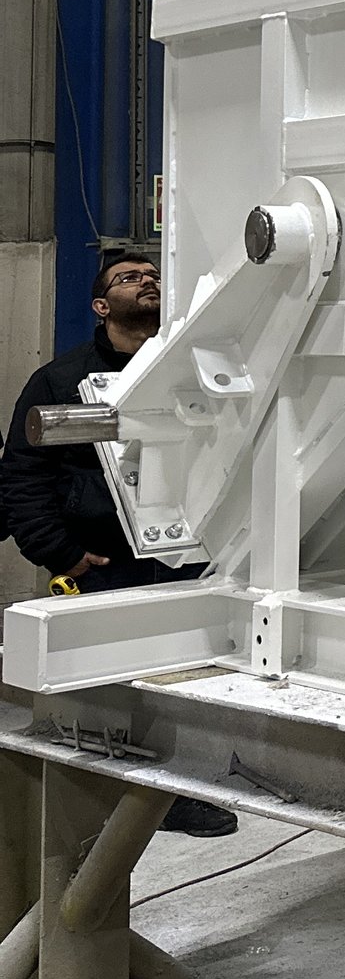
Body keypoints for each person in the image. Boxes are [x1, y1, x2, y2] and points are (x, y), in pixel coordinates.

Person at [1, 251, 238, 837]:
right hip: (103, 562)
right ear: (102, 307)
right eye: (130, 279)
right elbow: (24, 476)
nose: (148, 281)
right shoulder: (60, 380)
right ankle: (113, 792)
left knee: (181, 678)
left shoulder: (193, 372)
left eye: (154, 275)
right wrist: (59, 552)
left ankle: (175, 791)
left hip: (185, 556)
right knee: (110, 689)